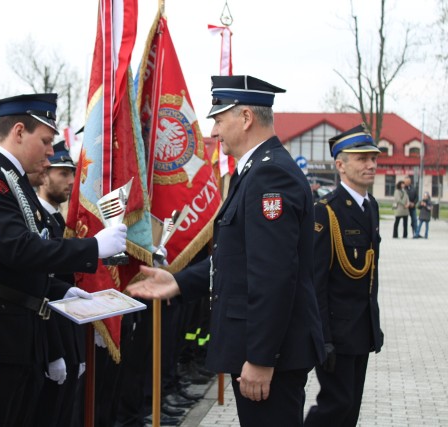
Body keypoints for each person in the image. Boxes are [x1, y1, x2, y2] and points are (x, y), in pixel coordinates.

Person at [127, 75, 325, 427]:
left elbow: (273, 277)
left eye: (219, 120)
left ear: (246, 118)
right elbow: (239, 260)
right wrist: (179, 282)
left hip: (267, 357)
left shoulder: (270, 176)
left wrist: (262, 358)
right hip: (263, 350)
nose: (214, 132)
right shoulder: (255, 171)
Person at [0, 93, 127, 426]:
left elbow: (22, 262)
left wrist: (58, 291)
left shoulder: (11, 179)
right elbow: (18, 249)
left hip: (24, 332)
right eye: (46, 141)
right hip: (4, 335)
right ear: (19, 132)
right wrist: (92, 248)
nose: (51, 151)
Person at [304, 124, 384, 427]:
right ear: (340, 165)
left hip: (361, 329)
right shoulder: (327, 211)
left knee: (350, 410)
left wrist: (373, 327)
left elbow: (370, 276)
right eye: (361, 159)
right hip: (335, 332)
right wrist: (322, 338)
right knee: (336, 405)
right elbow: (316, 282)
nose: (371, 165)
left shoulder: (370, 206)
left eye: (373, 159)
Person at [32, 141, 87, 427]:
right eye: (63, 173)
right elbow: (44, 287)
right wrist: (57, 352)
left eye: (72, 174)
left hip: (67, 336)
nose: (70, 181)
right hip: (49, 336)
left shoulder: (55, 220)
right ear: (44, 175)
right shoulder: (38, 221)